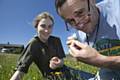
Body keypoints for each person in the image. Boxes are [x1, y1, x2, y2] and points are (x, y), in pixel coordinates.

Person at [10, 12, 94, 80]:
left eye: (50, 26)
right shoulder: (33, 44)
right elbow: (21, 70)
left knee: (96, 78)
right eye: (43, 26)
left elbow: (62, 62)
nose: (46, 30)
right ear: (36, 26)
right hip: (52, 78)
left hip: (68, 71)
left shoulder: (56, 40)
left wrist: (58, 63)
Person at [55, 0, 120, 80]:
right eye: (71, 21)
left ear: (92, 1)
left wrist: (101, 60)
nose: (80, 25)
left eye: (80, 13)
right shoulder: (79, 34)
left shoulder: (117, 8)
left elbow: (99, 60)